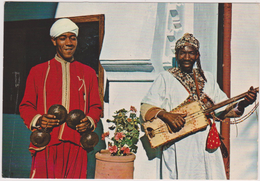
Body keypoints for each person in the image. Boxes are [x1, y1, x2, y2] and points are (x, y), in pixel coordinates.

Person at [140, 33, 257, 179]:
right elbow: (146, 106)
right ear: (176, 55)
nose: (187, 57)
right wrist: (166, 115)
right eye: (183, 53)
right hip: (179, 143)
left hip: (205, 142)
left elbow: (224, 109)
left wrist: (245, 102)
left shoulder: (208, 78)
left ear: (197, 55)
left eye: (191, 53)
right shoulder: (166, 78)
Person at [19, 18, 102, 178]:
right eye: (63, 37)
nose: (69, 42)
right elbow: (26, 106)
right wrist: (38, 119)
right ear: (54, 40)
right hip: (47, 142)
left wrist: (89, 121)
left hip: (77, 143)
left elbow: (95, 106)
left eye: (73, 37)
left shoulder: (88, 73)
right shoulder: (38, 71)